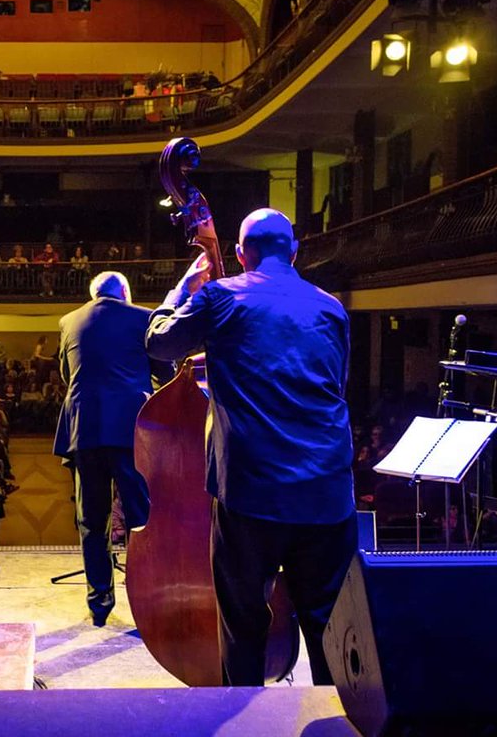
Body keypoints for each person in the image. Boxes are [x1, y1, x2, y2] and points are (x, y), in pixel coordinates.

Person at [145, 207, 356, 687]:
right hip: (326, 493)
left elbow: (159, 343)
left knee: (242, 626)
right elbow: (334, 385)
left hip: (251, 493)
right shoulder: (331, 308)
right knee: (329, 628)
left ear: (241, 255)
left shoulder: (221, 296)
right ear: (296, 251)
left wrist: (181, 292)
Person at [53, 271, 167, 626]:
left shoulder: (69, 321)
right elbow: (165, 373)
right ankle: (149, 600)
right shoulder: (143, 317)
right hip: (130, 428)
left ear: (93, 296)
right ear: (126, 293)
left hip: (84, 428)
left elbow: (65, 373)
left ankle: (99, 602)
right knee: (141, 517)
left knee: (91, 519)